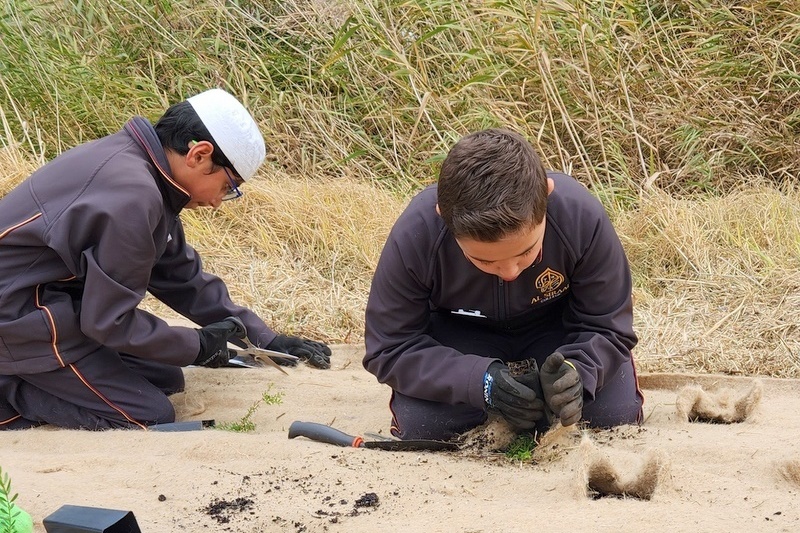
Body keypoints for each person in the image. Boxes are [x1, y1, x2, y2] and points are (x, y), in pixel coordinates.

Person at [0, 88, 331, 430]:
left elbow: (180, 277)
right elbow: (107, 321)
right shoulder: (133, 195)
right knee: (148, 413)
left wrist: (264, 339)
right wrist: (198, 345)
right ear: (200, 154)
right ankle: (7, 392)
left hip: (47, 304)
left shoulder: (146, 172)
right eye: (228, 186)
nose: (219, 202)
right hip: (17, 314)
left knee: (167, 377)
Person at [363, 128, 643, 441]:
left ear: (547, 195)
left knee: (611, 416)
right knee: (425, 425)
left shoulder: (580, 216)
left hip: (556, 335)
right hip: (460, 338)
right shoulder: (417, 234)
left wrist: (578, 372)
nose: (510, 272)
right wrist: (481, 382)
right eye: (484, 261)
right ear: (443, 216)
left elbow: (608, 327)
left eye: (526, 252)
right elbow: (390, 347)